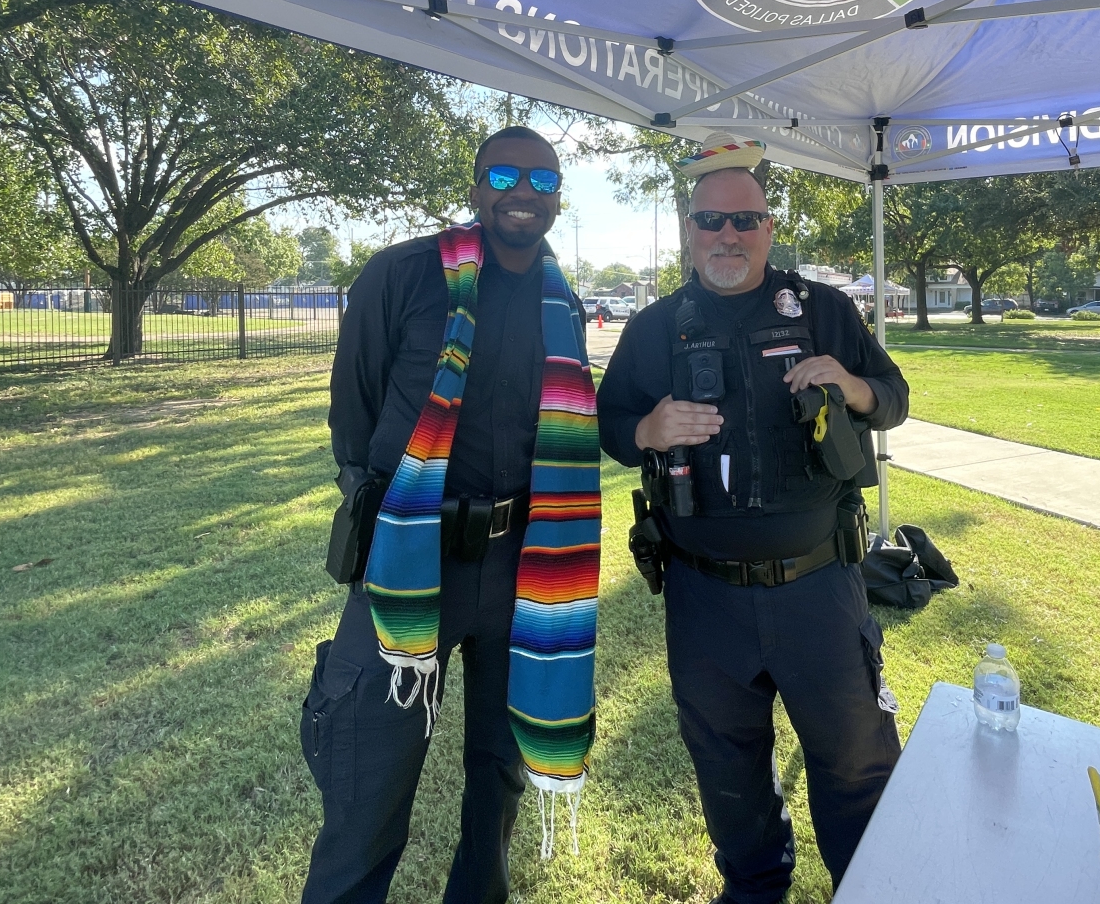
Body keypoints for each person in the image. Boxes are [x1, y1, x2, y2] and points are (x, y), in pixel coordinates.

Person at [596, 133, 909, 904]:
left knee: (857, 766)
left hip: (820, 591)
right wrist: (647, 429)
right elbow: (610, 423)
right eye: (712, 221)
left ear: (769, 228)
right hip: (705, 600)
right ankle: (754, 890)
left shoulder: (822, 310)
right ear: (690, 231)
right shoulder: (654, 327)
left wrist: (852, 386)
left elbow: (893, 399)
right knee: (728, 772)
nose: (728, 236)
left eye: (745, 221)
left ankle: (869, 887)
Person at [301, 127, 601, 904]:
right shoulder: (403, 275)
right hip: (412, 560)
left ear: (558, 197)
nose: (523, 192)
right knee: (367, 790)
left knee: (498, 776)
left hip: (522, 570)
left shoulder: (561, 301)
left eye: (542, 179)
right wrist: (386, 513)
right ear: (474, 189)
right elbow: (354, 416)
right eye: (504, 175)